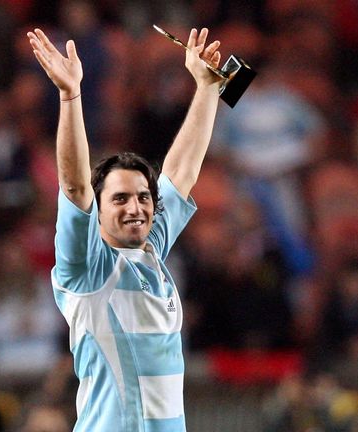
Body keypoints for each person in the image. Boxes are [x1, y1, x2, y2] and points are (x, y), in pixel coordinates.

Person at [26, 24, 223, 432]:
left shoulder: (152, 250)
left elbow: (181, 172)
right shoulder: (86, 269)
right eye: (119, 199)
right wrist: (70, 96)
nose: (136, 207)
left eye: (144, 197)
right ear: (95, 212)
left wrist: (207, 89)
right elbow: (76, 184)